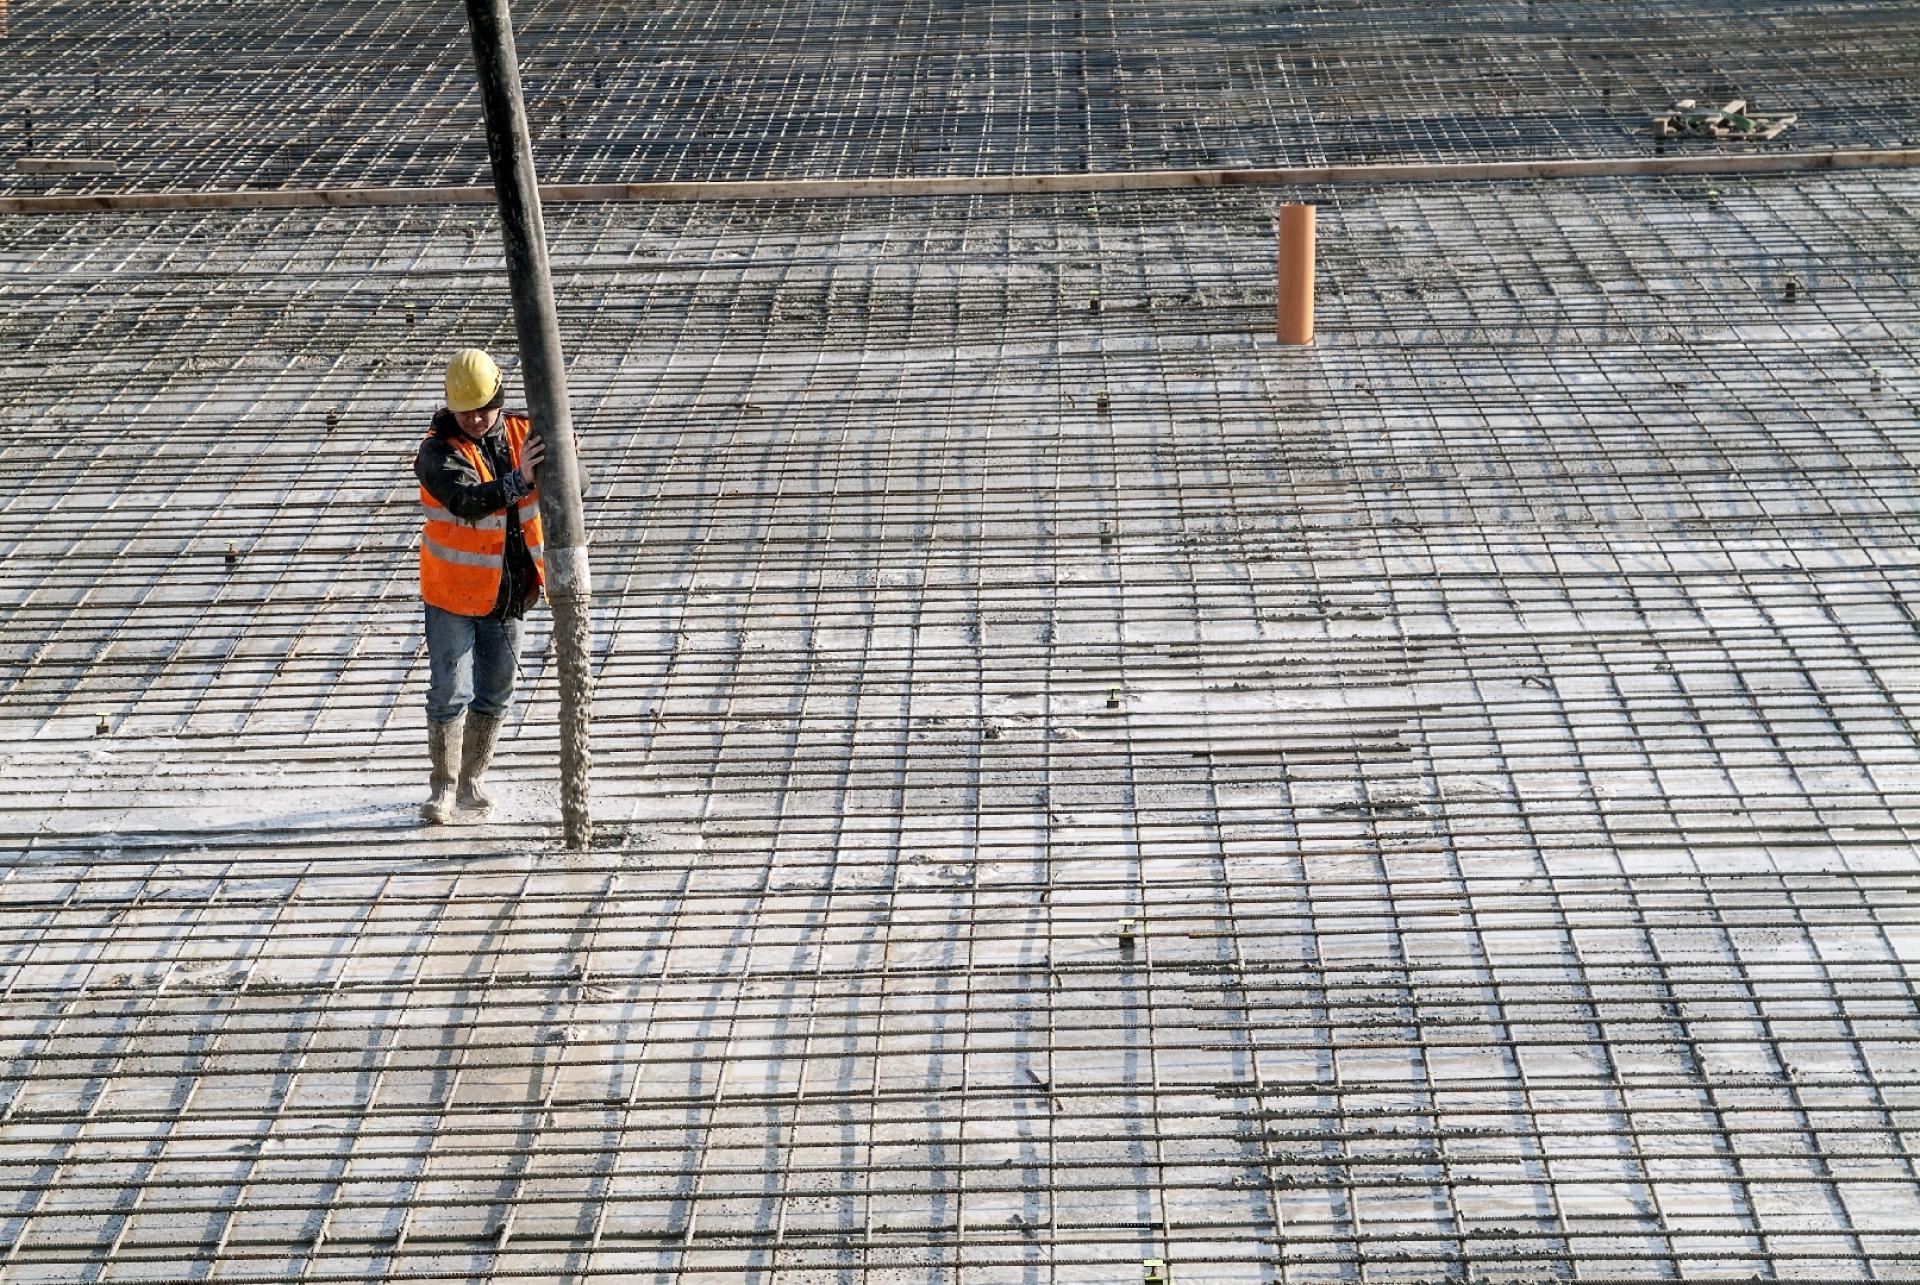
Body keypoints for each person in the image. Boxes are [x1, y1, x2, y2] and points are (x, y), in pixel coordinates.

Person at [414, 348, 548, 823]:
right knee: (449, 690)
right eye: (464, 410)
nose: (475, 418)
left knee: (496, 690)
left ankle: (472, 781)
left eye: (484, 407)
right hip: (453, 594)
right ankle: (443, 788)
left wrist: (566, 459)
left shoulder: (523, 432)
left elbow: (578, 487)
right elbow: (468, 501)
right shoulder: (436, 452)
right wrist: (521, 480)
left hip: (510, 591)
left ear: (499, 397)